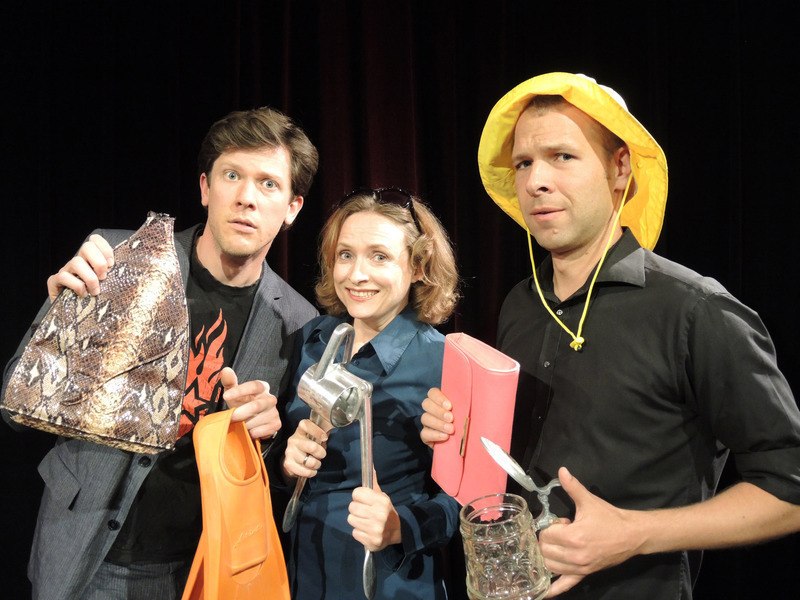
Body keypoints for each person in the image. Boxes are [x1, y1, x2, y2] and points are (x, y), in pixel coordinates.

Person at [420, 72, 800, 599]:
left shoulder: (696, 311)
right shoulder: (520, 305)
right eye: (524, 163)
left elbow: (790, 489)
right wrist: (455, 429)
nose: (536, 181)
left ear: (620, 168)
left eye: (563, 157)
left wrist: (635, 534)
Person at [0, 106, 320, 600]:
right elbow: (17, 409)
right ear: (204, 188)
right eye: (232, 175)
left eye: (268, 184)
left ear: (293, 207)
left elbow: (279, 482)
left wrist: (270, 440)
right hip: (84, 553)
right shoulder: (114, 258)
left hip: (197, 567)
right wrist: (58, 338)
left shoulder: (298, 325)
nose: (246, 199)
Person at [273, 188, 461, 598]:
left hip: (389, 584)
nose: (357, 274)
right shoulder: (312, 340)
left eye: (379, 256)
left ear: (417, 267)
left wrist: (400, 526)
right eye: (345, 255)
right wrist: (289, 465)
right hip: (302, 576)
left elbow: (469, 502)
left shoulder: (445, 363)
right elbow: (282, 469)